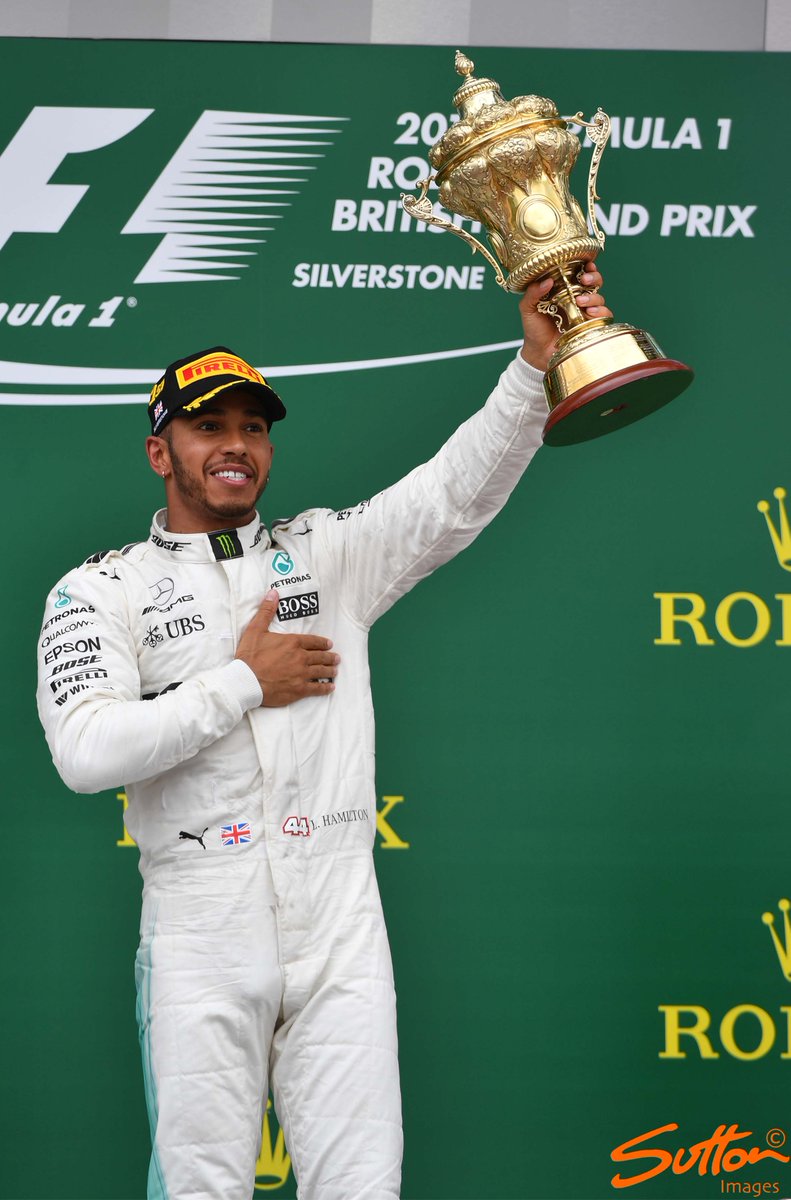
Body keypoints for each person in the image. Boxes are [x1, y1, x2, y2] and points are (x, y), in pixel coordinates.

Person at [37, 267, 610, 1200]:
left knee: (361, 1188)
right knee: (202, 1191)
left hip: (339, 913)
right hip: (197, 922)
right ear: (159, 452)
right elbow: (85, 755)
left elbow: (452, 495)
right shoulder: (100, 589)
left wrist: (533, 365)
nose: (236, 447)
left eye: (253, 428)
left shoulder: (326, 553)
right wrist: (240, 683)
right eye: (209, 427)